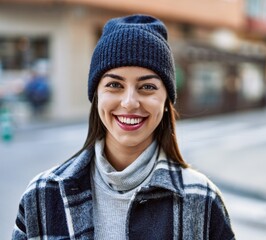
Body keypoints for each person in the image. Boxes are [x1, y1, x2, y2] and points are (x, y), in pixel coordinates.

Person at [12, 14, 235, 240]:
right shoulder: (41, 195)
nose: (129, 102)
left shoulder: (201, 199)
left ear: (166, 100)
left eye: (147, 86)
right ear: (96, 95)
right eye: (114, 85)